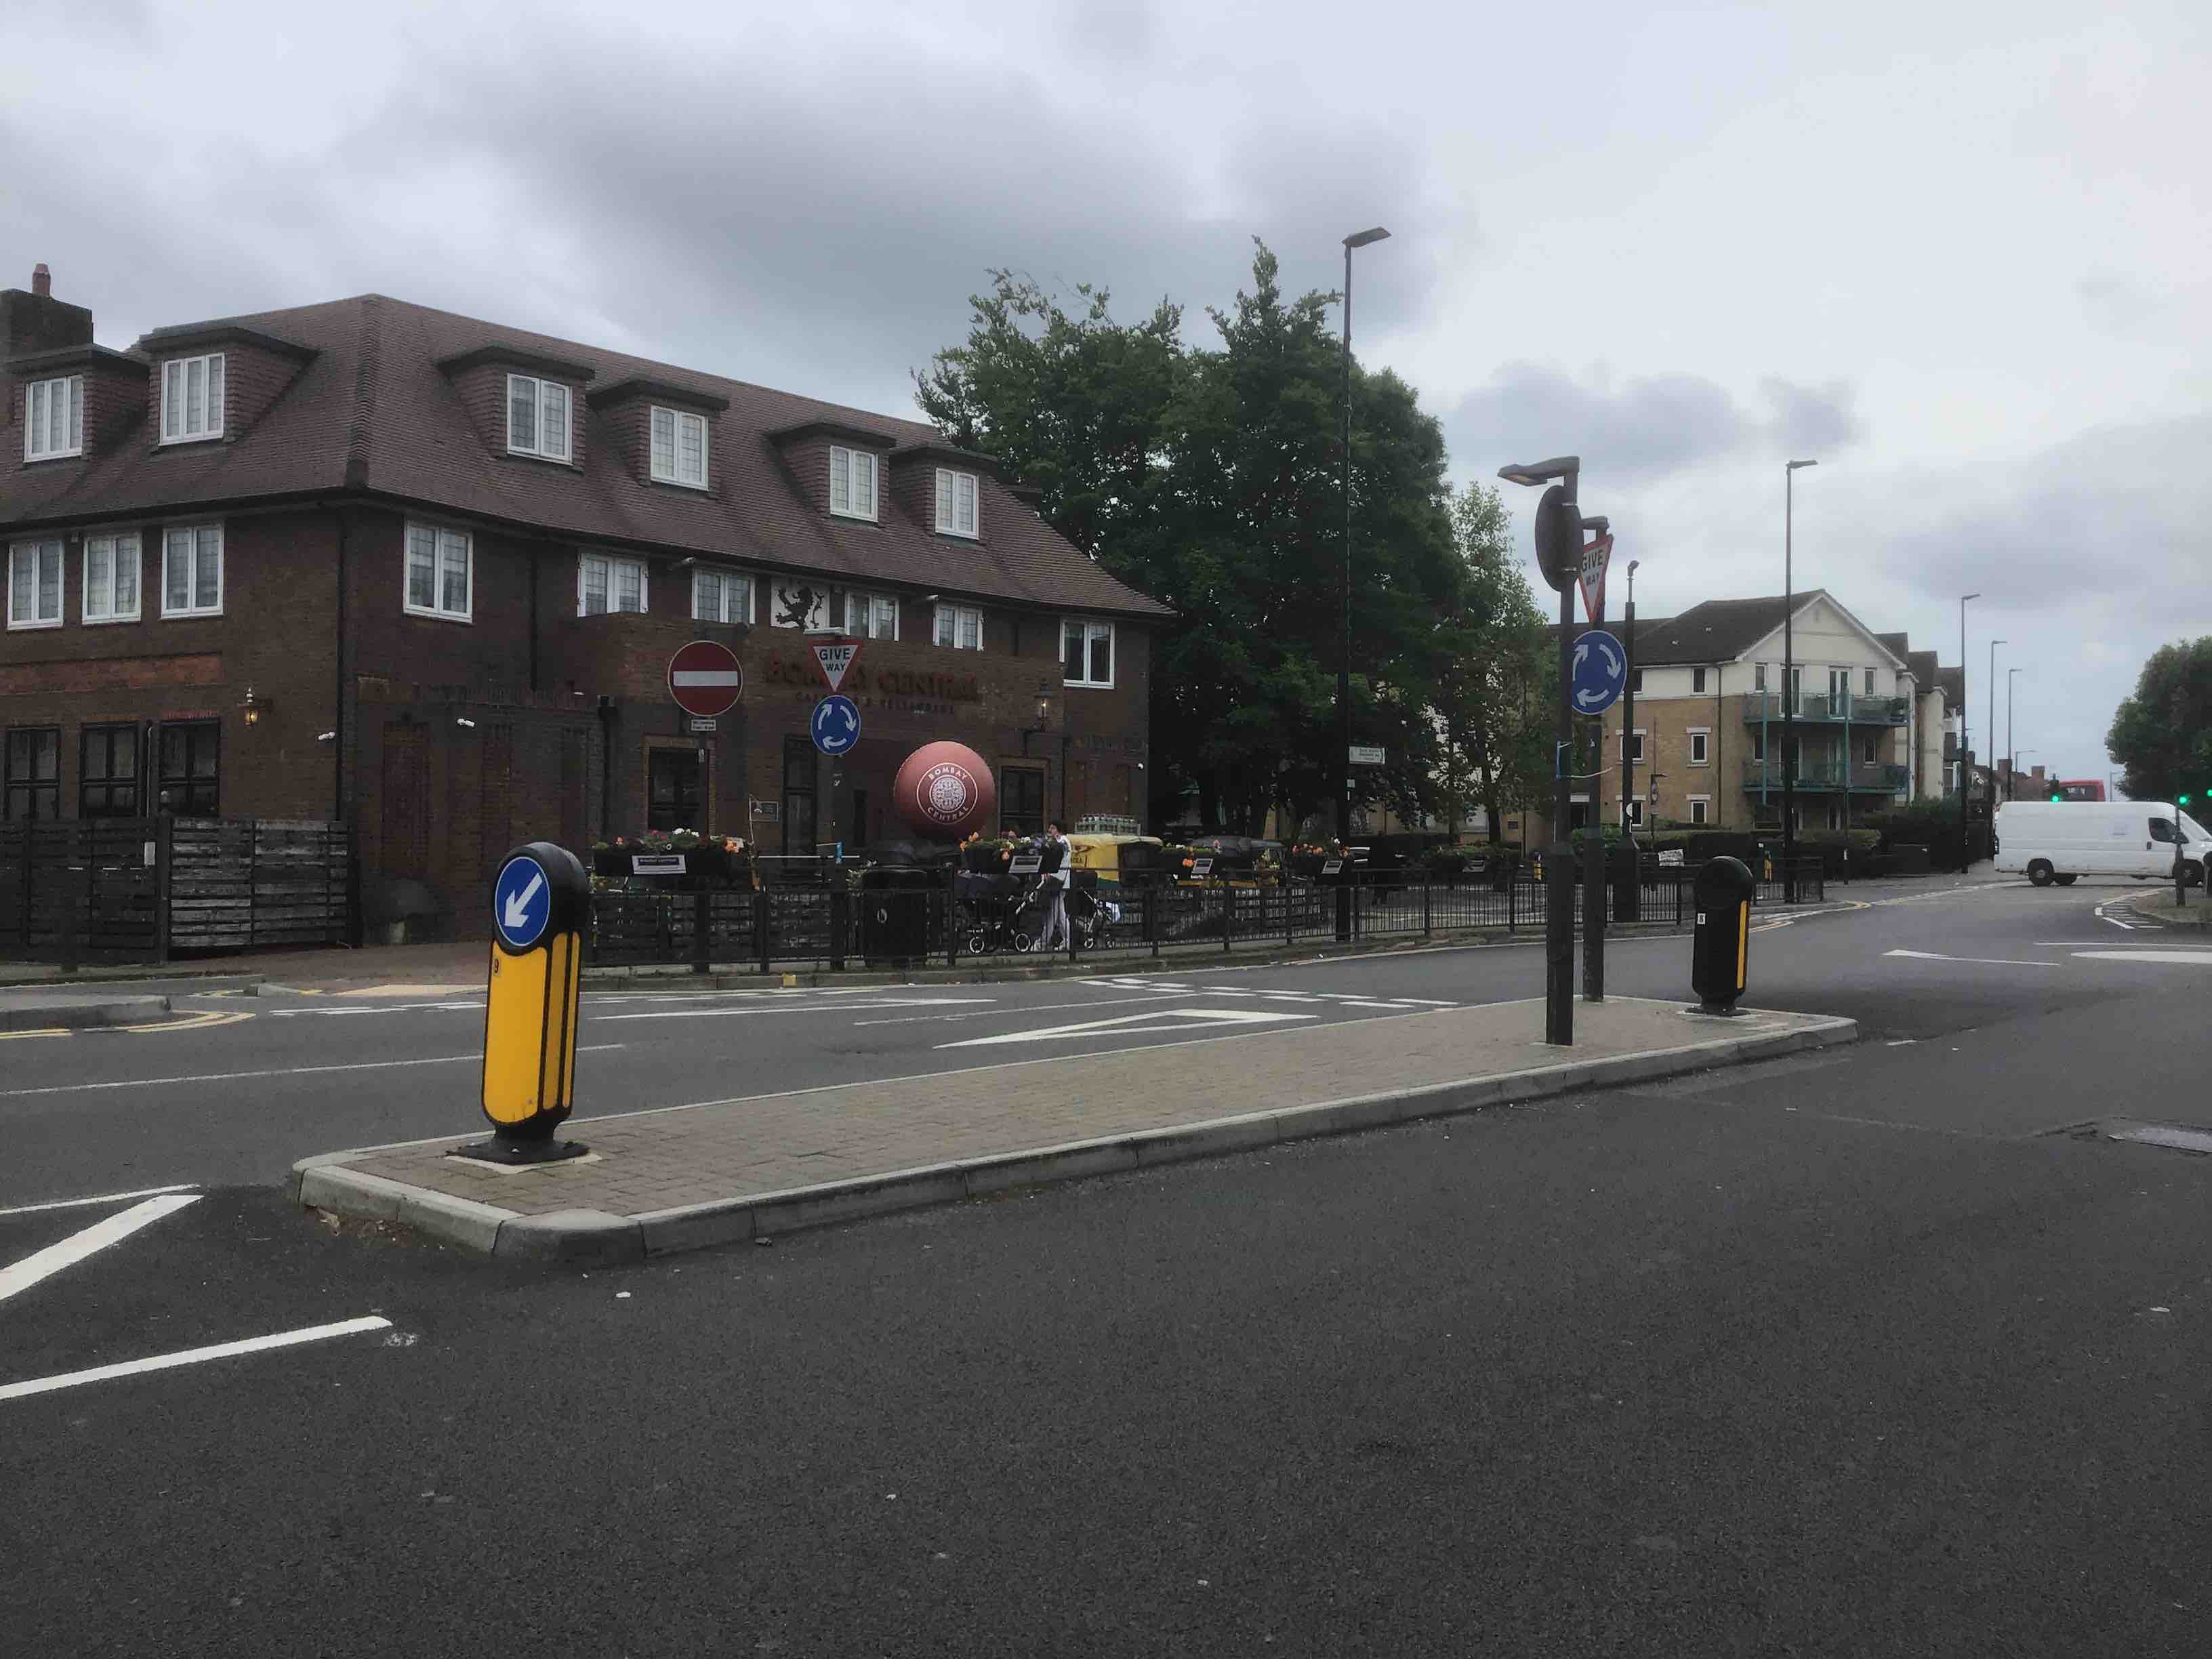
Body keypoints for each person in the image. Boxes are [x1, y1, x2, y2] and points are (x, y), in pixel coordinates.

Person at [1038, 822, 1072, 950]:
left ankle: (1042, 943)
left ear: (1059, 830)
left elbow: (1058, 859)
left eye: (1053, 828)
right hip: (1060, 881)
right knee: (1060, 916)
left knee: (1053, 915)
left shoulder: (1061, 842)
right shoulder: (1064, 842)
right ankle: (1069, 942)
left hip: (1057, 881)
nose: (1050, 830)